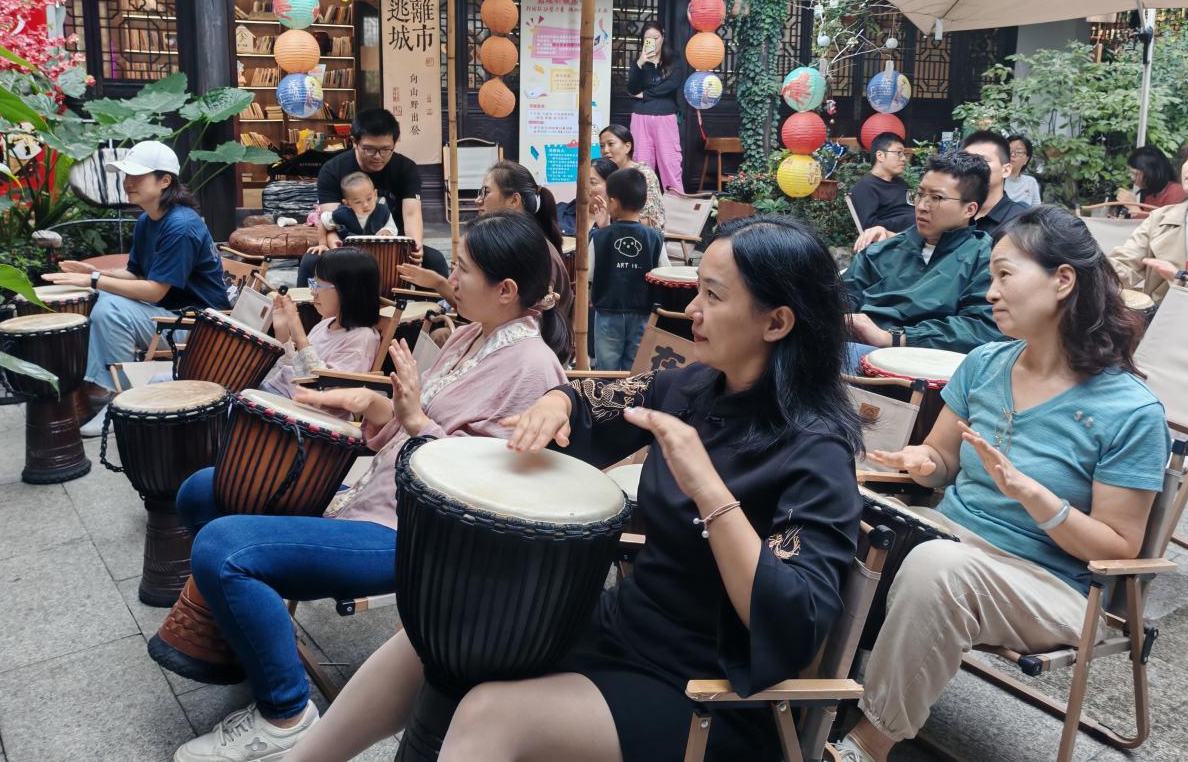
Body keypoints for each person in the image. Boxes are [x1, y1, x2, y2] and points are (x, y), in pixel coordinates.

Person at [287, 215, 864, 762]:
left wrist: (709, 490)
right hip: (624, 627)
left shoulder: (817, 452)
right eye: (698, 291)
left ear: (776, 322)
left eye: (713, 296)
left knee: (490, 716)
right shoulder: (692, 388)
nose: (692, 310)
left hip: (707, 688)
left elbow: (792, 620)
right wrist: (555, 401)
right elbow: (593, 403)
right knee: (441, 634)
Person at [169, 211, 569, 762]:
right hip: (374, 493)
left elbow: (486, 493)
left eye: (462, 269)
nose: (449, 278)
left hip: (417, 536)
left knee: (223, 548)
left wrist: (415, 420)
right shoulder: (468, 335)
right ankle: (253, 636)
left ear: (505, 290)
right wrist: (376, 406)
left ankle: (285, 715)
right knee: (201, 490)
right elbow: (406, 425)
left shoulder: (533, 369)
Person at [832, 205, 1171, 762]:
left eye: (1005, 274)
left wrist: (1036, 499)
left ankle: (868, 745)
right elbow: (942, 458)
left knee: (937, 566)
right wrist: (921, 461)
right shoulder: (985, 363)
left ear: (1063, 280)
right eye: (991, 276)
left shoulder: (1130, 411)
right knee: (836, 512)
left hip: (1048, 584)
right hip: (950, 539)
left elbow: (1118, 548)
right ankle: (800, 690)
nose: (990, 292)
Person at [43, 140, 229, 437]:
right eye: (126, 175)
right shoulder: (147, 221)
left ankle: (123, 402)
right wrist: (96, 273)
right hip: (169, 314)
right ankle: (108, 389)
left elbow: (155, 291)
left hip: (201, 328)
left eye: (137, 176)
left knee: (111, 310)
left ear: (165, 180)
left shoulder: (181, 225)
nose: (128, 182)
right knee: (106, 295)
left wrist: (94, 282)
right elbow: (136, 273)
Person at [399, 160, 573, 364]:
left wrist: (439, 283)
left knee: (441, 337)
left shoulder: (532, 252)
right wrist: (438, 282)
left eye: (485, 192)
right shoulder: (517, 245)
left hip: (522, 355)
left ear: (514, 200)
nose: (477, 200)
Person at [843, 151, 1000, 363]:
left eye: (936, 198)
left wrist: (894, 338)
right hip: (853, 346)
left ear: (969, 209)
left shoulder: (985, 258)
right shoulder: (881, 251)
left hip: (926, 362)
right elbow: (843, 296)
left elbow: (982, 327)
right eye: (919, 194)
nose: (922, 206)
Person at [296, 108, 448, 288]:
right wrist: (337, 248)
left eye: (385, 150)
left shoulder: (406, 169)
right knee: (309, 261)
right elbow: (331, 221)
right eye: (369, 149)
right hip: (346, 245)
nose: (378, 157)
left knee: (435, 261)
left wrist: (415, 246)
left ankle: (430, 307)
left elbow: (412, 214)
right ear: (354, 142)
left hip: (393, 245)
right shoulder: (332, 170)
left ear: (395, 143)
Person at [1108, 127, 1188, 303]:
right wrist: (1084, 270)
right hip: (1160, 317)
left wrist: (1181, 279)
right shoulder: (1160, 218)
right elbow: (1125, 264)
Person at [853, 132, 1026, 250]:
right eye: (966, 160)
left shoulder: (1020, 222)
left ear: (1006, 169)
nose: (971, 167)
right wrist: (887, 235)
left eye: (982, 160)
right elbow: (923, 245)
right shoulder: (947, 211)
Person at [260, 247, 381, 404]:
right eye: (313, 283)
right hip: (277, 391)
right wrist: (282, 330)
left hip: (297, 409)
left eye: (319, 286)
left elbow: (323, 389)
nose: (313, 292)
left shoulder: (362, 338)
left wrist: (296, 325)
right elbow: (295, 369)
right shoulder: (325, 324)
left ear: (348, 291)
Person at [590, 167, 665, 370]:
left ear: (613, 202)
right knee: (635, 367)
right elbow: (664, 273)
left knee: (606, 368)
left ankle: (607, 392)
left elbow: (588, 273)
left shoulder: (600, 236)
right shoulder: (654, 238)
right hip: (643, 311)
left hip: (608, 311)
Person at [627, 22, 685, 193]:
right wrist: (640, 63)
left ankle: (676, 202)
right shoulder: (639, 62)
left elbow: (673, 84)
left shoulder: (673, 60)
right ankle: (643, 204)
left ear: (663, 36)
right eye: (648, 39)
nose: (652, 41)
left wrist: (646, 94)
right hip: (640, 117)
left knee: (670, 162)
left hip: (665, 116)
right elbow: (632, 89)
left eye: (656, 37)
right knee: (641, 163)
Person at [309, 172, 397, 253]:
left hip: (375, 251)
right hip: (348, 253)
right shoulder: (342, 214)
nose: (366, 205)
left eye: (369, 199)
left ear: (375, 194)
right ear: (347, 204)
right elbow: (323, 221)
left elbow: (392, 227)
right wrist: (322, 244)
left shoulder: (383, 211)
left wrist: (387, 230)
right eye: (358, 202)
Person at [600, 123, 666, 229]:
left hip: (640, 234)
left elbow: (653, 219)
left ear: (627, 147)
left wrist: (621, 225)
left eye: (611, 144)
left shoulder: (643, 174)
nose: (605, 150)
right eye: (602, 146)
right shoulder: (605, 173)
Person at [849, 132, 915, 232]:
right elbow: (870, 227)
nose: (903, 158)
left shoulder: (901, 183)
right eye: (898, 153)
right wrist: (913, 220)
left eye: (904, 153)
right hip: (896, 239)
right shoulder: (865, 187)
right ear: (880, 155)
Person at [1122, 145, 1187, 217]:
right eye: (1130, 173)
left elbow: (1167, 223)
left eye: (1136, 174)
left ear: (1151, 173)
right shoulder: (1151, 194)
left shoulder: (1176, 192)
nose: (1132, 178)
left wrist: (1133, 207)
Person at [558, 157, 616, 235]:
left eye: (592, 182)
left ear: (611, 186)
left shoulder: (620, 222)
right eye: (581, 181)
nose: (584, 187)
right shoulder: (558, 211)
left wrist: (605, 228)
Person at [1004, 134, 1042, 207]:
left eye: (1018, 152)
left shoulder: (1031, 182)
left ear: (1026, 159)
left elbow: (1037, 210)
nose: (1012, 155)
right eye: (1009, 151)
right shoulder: (995, 179)